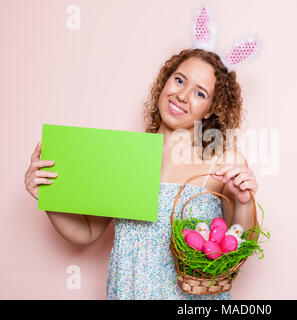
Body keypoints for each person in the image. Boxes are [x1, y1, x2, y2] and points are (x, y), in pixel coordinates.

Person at [24, 48, 259, 299]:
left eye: (199, 93)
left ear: (211, 108)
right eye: (179, 80)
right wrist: (48, 196)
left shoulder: (223, 160)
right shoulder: (125, 155)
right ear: (165, 80)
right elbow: (87, 232)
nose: (181, 95)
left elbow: (239, 247)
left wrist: (243, 203)